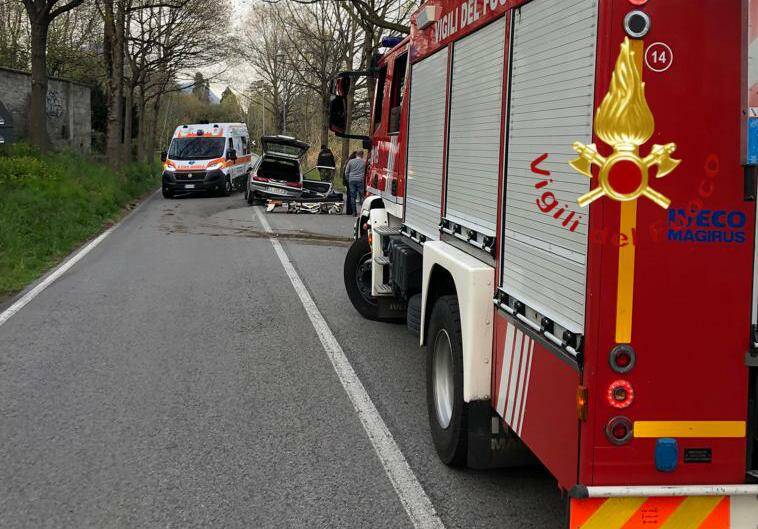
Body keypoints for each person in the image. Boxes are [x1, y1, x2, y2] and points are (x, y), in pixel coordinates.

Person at [344, 150, 366, 217]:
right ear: (362, 155)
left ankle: (354, 212)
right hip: (360, 180)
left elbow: (346, 172)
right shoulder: (364, 162)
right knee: (362, 196)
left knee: (353, 197)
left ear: (356, 154)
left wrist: (348, 179)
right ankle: (363, 212)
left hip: (352, 180)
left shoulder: (351, 161)